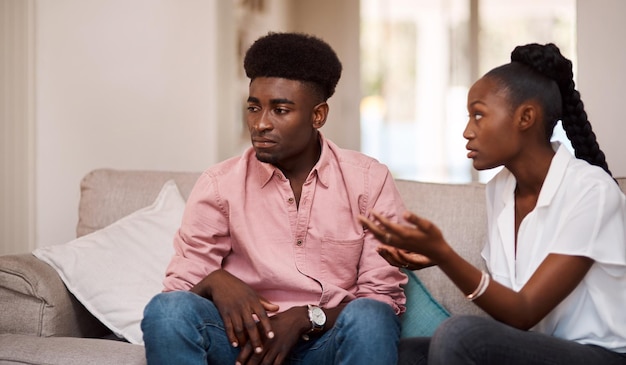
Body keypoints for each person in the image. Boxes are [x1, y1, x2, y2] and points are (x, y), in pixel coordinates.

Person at [141, 32, 407, 365]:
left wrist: (306, 317)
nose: (261, 123)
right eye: (254, 107)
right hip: (244, 346)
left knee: (370, 316)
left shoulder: (368, 181)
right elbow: (178, 294)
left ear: (318, 115)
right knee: (166, 312)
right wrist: (214, 281)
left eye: (280, 110)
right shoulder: (219, 185)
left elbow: (382, 300)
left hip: (325, 344)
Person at [359, 43, 626, 365]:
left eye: (479, 114)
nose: (467, 131)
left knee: (460, 334)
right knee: (405, 353)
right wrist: (435, 257)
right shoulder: (500, 189)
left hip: (599, 355)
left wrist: (444, 255)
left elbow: (523, 312)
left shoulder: (592, 191)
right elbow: (507, 301)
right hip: (532, 348)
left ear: (525, 117)